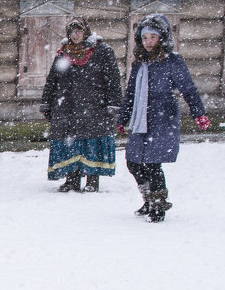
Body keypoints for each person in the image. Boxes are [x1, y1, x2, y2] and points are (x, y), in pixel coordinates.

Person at [117, 13, 210, 222]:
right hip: (140, 117)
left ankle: (159, 205)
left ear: (162, 38)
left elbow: (189, 89)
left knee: (152, 163)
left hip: (162, 116)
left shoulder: (172, 61)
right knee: (133, 162)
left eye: (153, 37)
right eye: (144, 37)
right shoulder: (139, 62)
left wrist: (199, 113)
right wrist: (123, 118)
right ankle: (149, 199)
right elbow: (131, 92)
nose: (148, 42)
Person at [40, 18, 122, 193]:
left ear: (86, 32)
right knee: (71, 143)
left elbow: (113, 79)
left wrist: (113, 103)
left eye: (79, 32)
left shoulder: (102, 51)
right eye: (72, 32)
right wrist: (47, 102)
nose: (75, 36)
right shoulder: (63, 53)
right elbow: (52, 80)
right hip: (68, 106)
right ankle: (72, 179)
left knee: (91, 142)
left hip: (94, 105)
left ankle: (92, 180)